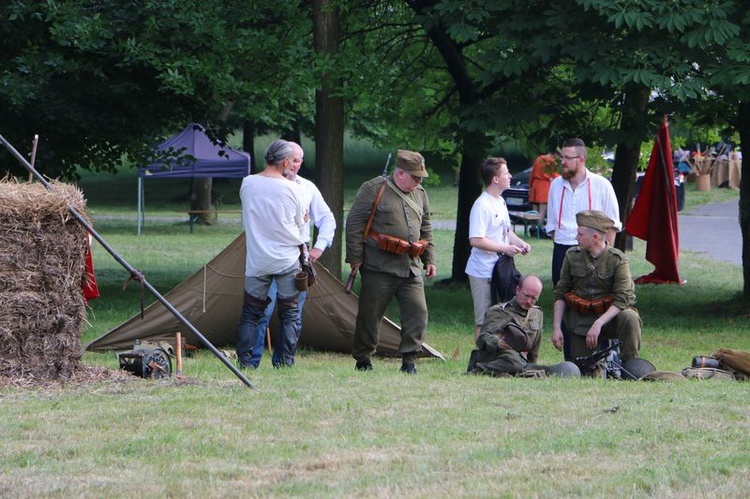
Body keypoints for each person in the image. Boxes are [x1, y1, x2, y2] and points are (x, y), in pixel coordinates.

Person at [345, 149, 437, 374]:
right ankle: (363, 359)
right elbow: (355, 224)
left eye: (420, 177)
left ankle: (409, 361)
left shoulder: (420, 193)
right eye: (415, 177)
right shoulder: (374, 189)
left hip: (410, 267)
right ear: (401, 173)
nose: (418, 181)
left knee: (418, 313)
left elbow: (425, 227)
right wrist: (356, 258)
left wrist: (429, 258)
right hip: (379, 266)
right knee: (370, 315)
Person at [248, 142, 336, 368]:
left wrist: (319, 247)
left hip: (295, 262)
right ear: (283, 160)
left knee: (292, 315)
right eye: (292, 160)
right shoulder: (258, 185)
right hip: (264, 260)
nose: (295, 165)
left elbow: (327, 219)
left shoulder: (306, 188)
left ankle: (284, 365)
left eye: (299, 161)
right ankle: (251, 364)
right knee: (260, 313)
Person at [545, 138, 621, 360]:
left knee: (597, 300)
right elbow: (552, 227)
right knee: (566, 301)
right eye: (562, 158)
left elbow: (613, 226)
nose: (563, 162)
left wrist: (605, 258)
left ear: (581, 159)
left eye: (568, 158)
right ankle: (571, 357)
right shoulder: (555, 185)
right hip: (563, 249)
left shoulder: (601, 185)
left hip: (595, 252)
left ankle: (603, 357)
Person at [236, 139, 306, 369]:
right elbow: (300, 224)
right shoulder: (292, 188)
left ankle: (245, 363)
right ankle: (285, 363)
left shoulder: (247, 183)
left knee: (250, 313)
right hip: (287, 259)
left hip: (257, 260)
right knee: (290, 314)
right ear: (286, 161)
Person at [551, 210, 642, 371]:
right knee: (585, 369)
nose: (576, 238)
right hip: (582, 320)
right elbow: (561, 292)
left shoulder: (617, 260)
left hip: (610, 318)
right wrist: (557, 328)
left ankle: (629, 365)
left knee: (630, 317)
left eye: (580, 234)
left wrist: (599, 323)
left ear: (595, 237)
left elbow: (623, 298)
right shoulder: (572, 256)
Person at [465, 157, 531, 339]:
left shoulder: (500, 201)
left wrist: (519, 243)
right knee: (484, 318)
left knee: (500, 314)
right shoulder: (482, 205)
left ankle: (495, 356)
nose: (510, 176)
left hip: (500, 268)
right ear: (495, 179)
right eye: (506, 173)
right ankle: (479, 360)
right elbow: (476, 240)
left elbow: (505, 231)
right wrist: (504, 248)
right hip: (482, 271)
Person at [470, 275, 580, 378]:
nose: (529, 301)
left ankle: (529, 371)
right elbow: (483, 337)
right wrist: (498, 343)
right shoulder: (499, 312)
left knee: (570, 368)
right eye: (526, 296)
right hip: (499, 358)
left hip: (523, 361)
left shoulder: (537, 313)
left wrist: (532, 363)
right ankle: (478, 370)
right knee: (514, 363)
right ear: (517, 290)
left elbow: (535, 347)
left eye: (534, 298)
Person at [528, 153, 559, 224]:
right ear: (555, 154)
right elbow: (555, 175)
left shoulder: (538, 159)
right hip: (544, 187)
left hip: (535, 186)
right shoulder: (551, 161)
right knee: (542, 211)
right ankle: (539, 230)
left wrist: (530, 187)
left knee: (534, 211)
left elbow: (532, 174)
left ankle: (532, 229)